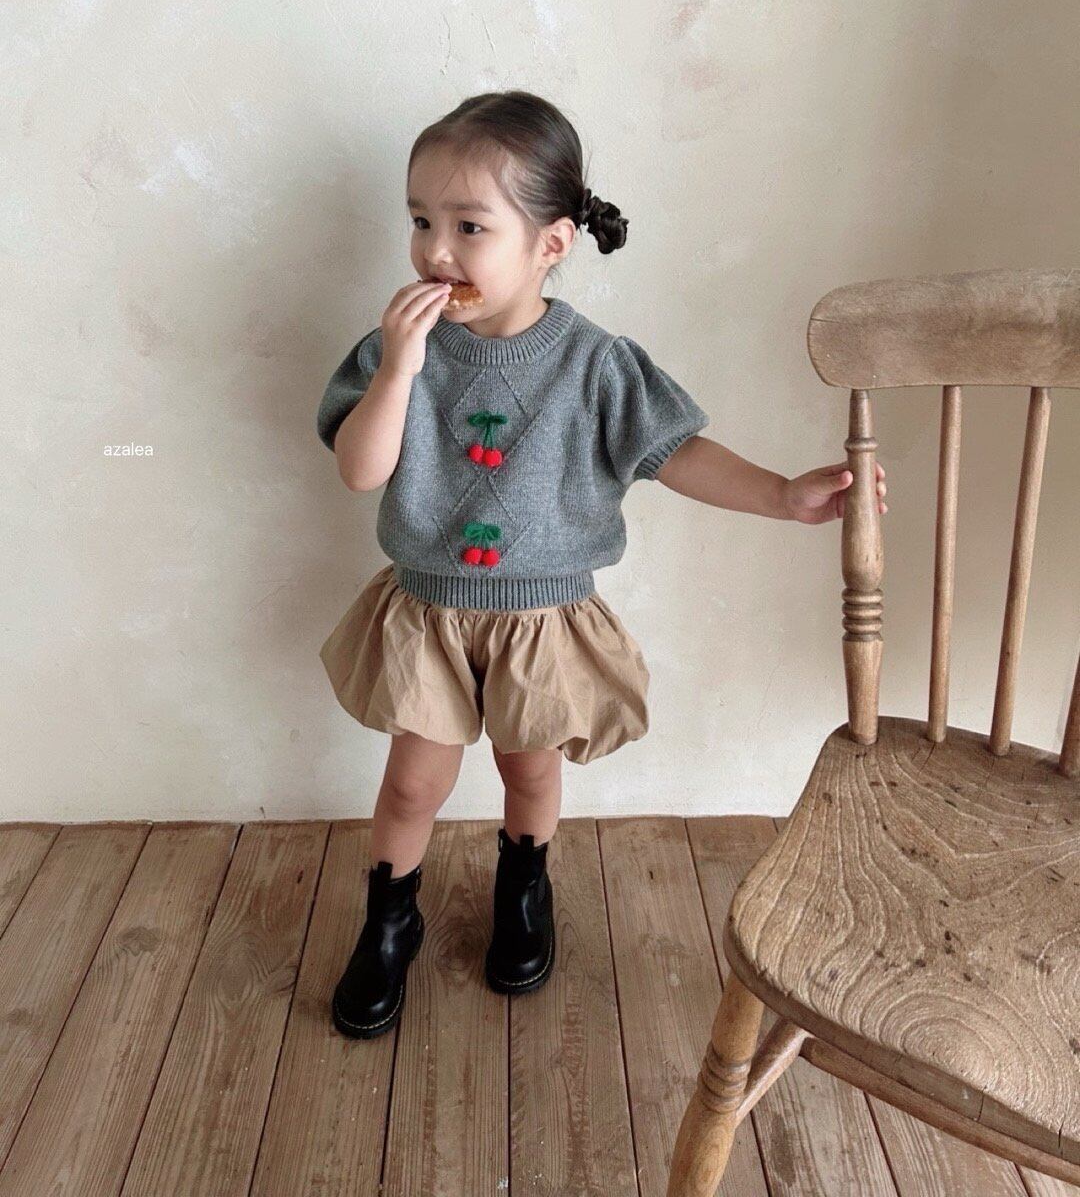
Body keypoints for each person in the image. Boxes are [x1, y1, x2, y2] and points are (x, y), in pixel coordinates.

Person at [315, 89, 888, 1041]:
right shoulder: (394, 350)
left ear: (551, 242)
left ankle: (523, 889)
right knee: (413, 783)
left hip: (543, 621)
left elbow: (676, 452)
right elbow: (359, 470)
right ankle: (389, 921)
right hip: (430, 613)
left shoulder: (595, 364)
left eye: (469, 227)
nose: (436, 251)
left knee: (530, 772)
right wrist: (400, 370)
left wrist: (784, 495)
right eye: (420, 222)